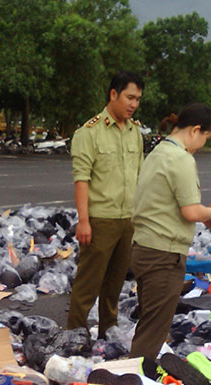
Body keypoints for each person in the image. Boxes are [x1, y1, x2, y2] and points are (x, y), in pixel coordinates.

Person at [129, 103, 211, 360]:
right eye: (206, 137)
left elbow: (168, 202)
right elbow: (191, 211)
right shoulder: (181, 158)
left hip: (143, 248)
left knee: (149, 321)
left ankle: (135, 377)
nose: (203, 144)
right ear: (196, 130)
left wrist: (202, 217)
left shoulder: (160, 151)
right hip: (163, 254)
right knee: (153, 330)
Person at [66, 71, 145, 339]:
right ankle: (74, 335)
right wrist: (84, 220)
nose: (133, 104)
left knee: (114, 285)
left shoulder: (135, 132)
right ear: (113, 94)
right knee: (88, 284)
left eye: (137, 99)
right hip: (100, 221)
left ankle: (107, 333)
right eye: (129, 97)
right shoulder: (89, 132)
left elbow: (139, 176)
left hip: (128, 220)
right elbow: (82, 179)